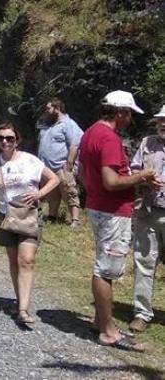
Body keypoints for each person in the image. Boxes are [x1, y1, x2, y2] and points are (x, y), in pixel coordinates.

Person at [79, 90, 159, 351]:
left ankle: (99, 321)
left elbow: (82, 174)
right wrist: (143, 176)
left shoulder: (90, 132)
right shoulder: (109, 139)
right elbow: (112, 182)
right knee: (105, 270)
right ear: (120, 112)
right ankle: (109, 332)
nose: (131, 120)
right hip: (113, 212)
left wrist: (96, 194)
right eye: (130, 114)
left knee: (102, 264)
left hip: (98, 207)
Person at [0, 123, 59, 325]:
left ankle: (24, 310)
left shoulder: (29, 160)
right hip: (5, 214)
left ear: (17, 140)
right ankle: (19, 301)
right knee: (13, 260)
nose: (5, 142)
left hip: (28, 215)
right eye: (1, 138)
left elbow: (54, 179)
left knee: (26, 260)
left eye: (10, 138)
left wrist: (40, 193)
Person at [128, 104, 165, 332]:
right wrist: (143, 178)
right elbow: (133, 169)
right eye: (160, 120)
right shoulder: (147, 143)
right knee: (144, 262)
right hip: (147, 212)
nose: (162, 123)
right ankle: (142, 313)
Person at [37, 98, 84, 229]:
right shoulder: (49, 125)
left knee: (69, 191)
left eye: (48, 108)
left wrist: (69, 165)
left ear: (57, 108)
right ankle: (52, 215)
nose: (46, 111)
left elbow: (75, 144)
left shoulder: (68, 124)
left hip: (62, 166)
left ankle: (75, 220)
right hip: (47, 168)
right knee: (52, 194)